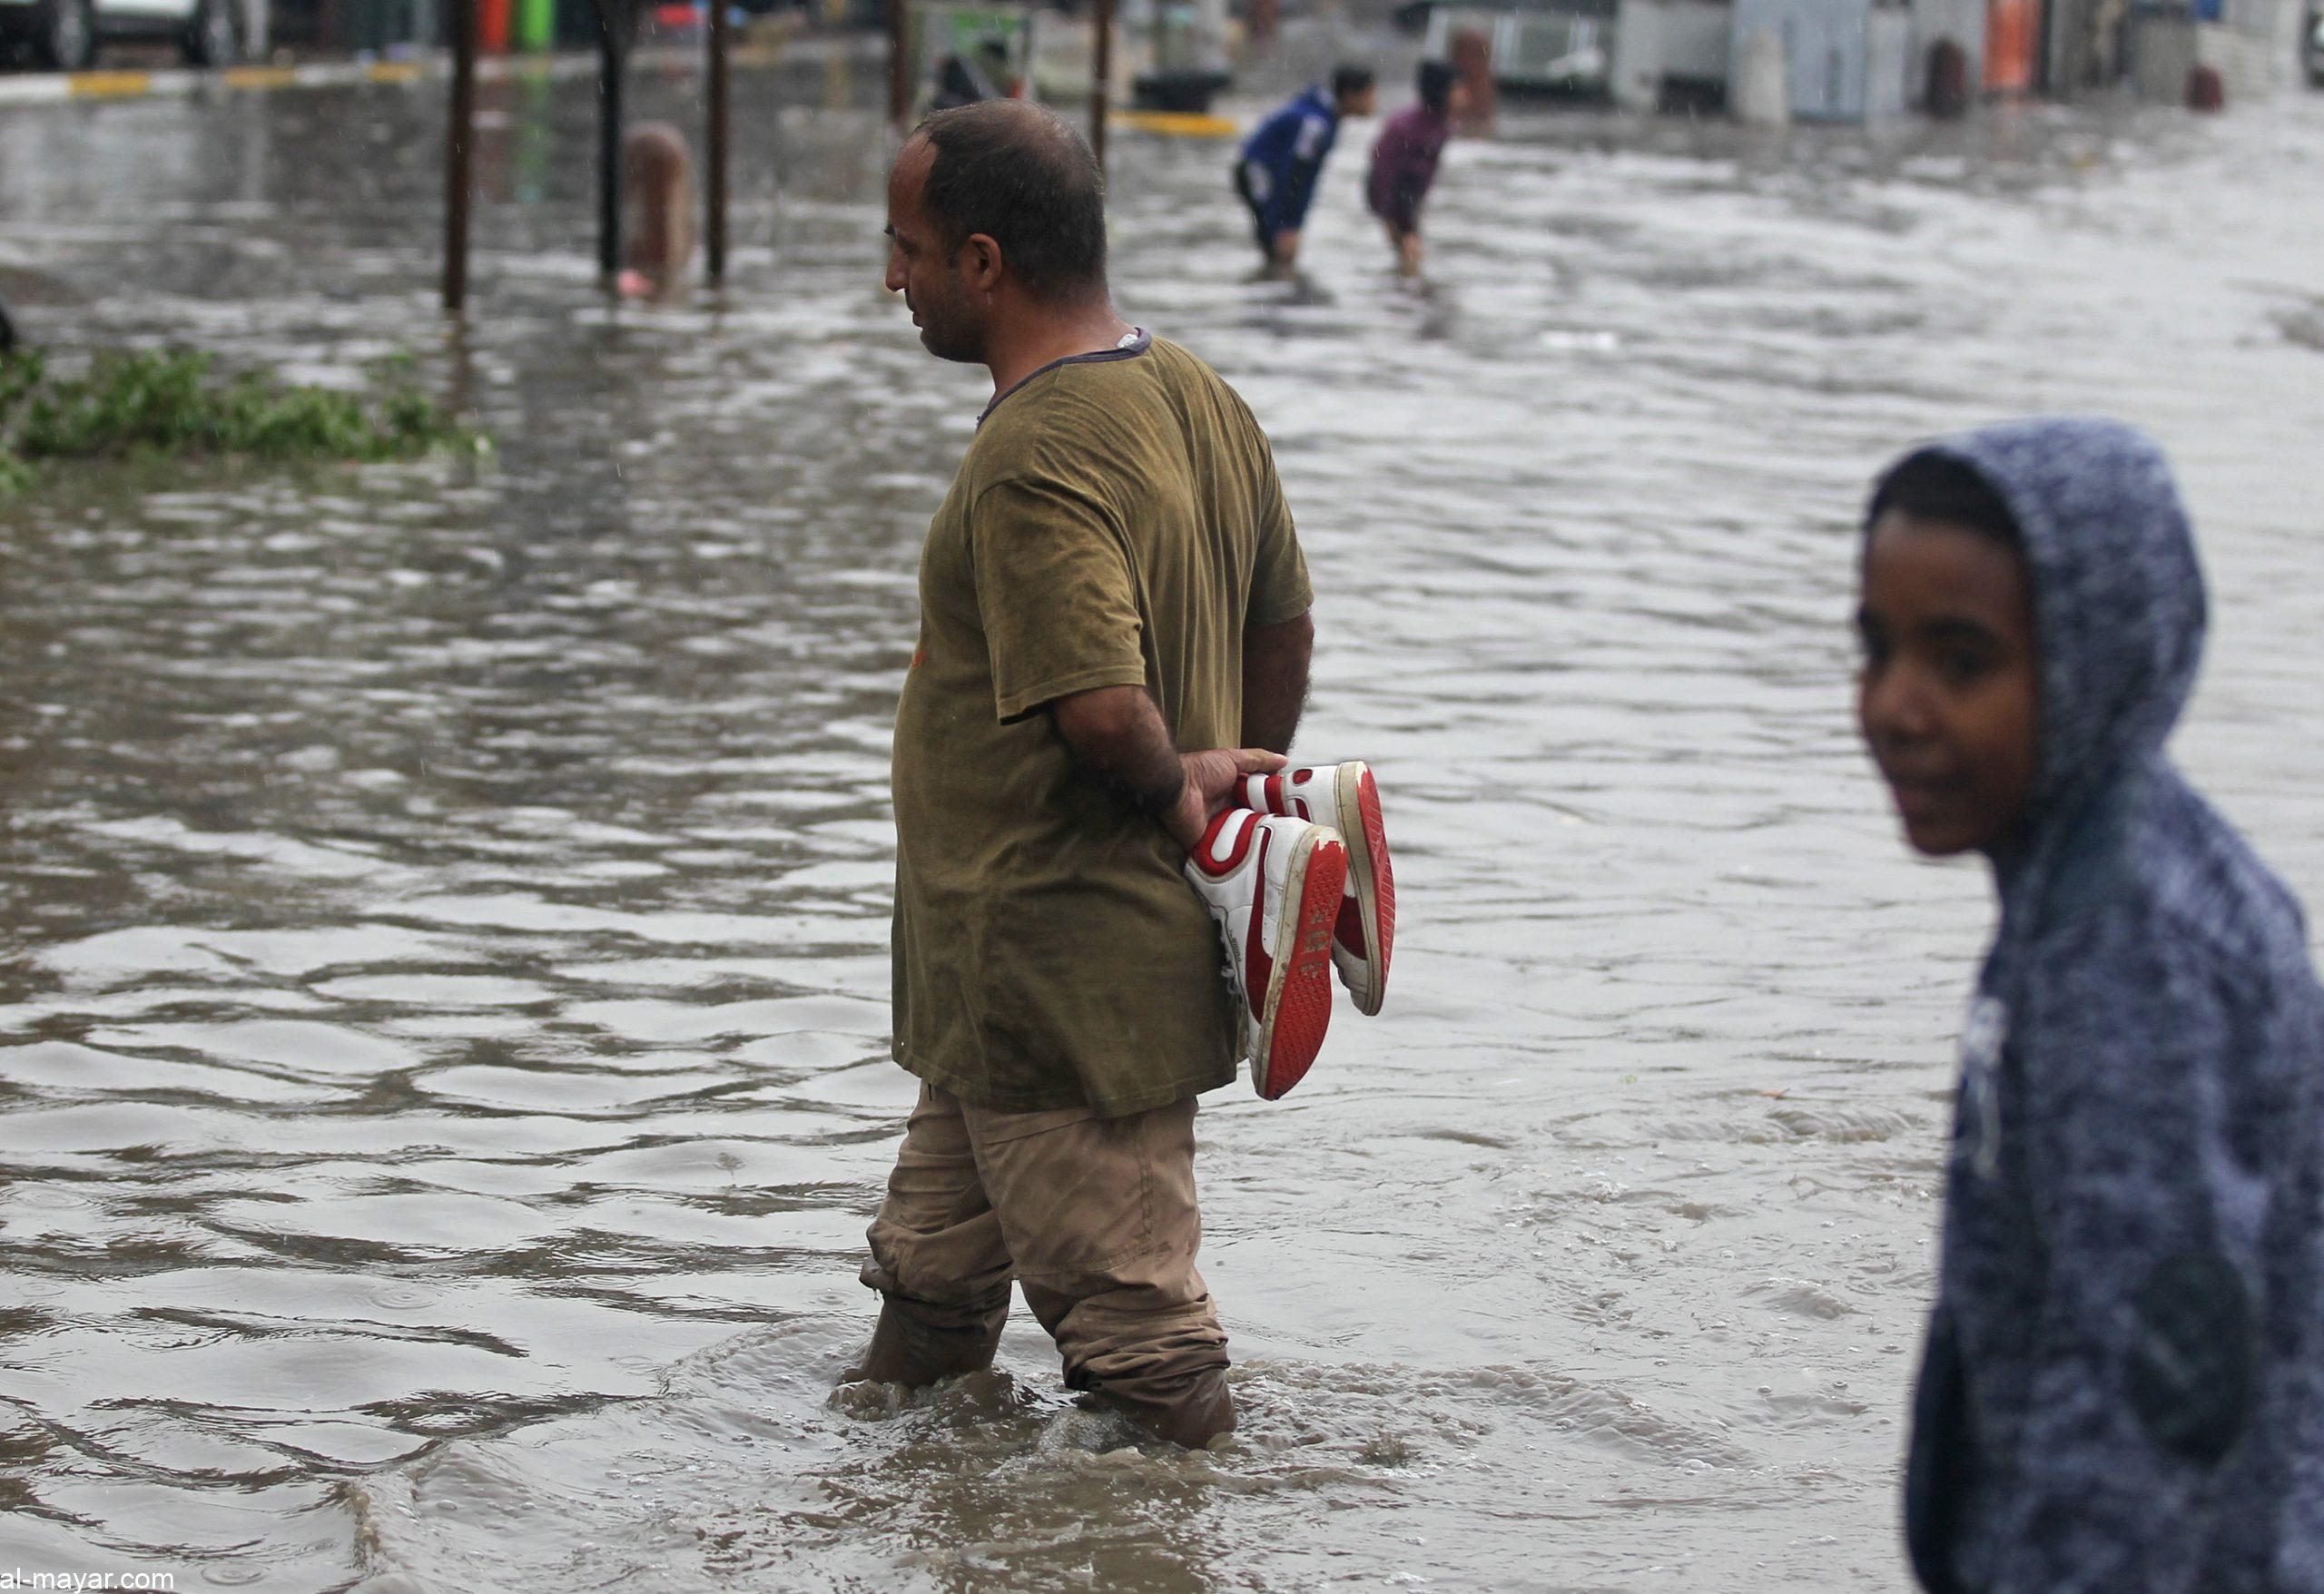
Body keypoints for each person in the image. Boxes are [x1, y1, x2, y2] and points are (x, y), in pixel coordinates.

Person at [849, 99, 1353, 1449]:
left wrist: (1193, 801)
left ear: (986, 264)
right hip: (991, 985)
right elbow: (1284, 616)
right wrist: (1249, 783)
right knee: (925, 1321)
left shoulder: (1034, 456)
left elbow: (1100, 710)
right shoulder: (1192, 391)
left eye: (906, 248)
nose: (890, 277)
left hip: (1058, 978)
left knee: (1149, 1362)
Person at [1854, 418, 2324, 1592]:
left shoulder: (2141, 950)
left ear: (2094, 659)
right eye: (1876, 649)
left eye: (1961, 662)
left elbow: (2151, 1401)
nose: (1896, 705)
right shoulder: (2077, 890)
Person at [1234, 65, 1376, 280]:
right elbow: (1294, 175)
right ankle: (1272, 295)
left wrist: (1293, 224)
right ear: (1350, 95)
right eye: (1369, 95)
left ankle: (1272, 287)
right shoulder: (1315, 124)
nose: (1374, 103)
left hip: (1273, 176)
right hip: (1259, 172)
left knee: (1279, 249)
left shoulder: (1327, 116)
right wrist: (1286, 225)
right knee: (1277, 244)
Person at [1366, 61, 1457, 280]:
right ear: (1443, 91)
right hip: (1394, 198)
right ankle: (1403, 299)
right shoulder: (1409, 127)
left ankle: (1401, 294)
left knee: (1407, 258)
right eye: (1458, 88)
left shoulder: (1442, 125)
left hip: (1409, 199)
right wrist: (1393, 215)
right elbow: (1385, 171)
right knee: (1411, 259)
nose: (1465, 95)